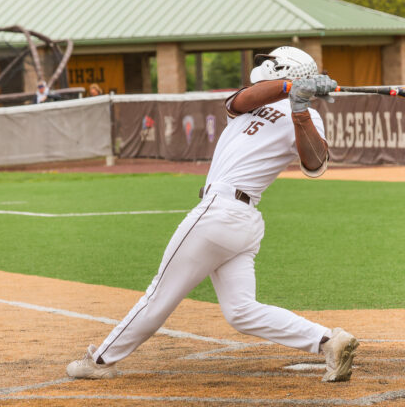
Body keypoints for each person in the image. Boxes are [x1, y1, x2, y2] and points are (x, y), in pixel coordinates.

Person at [65, 46, 359, 383]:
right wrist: (290, 89)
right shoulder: (253, 101)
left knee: (159, 294)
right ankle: (328, 341)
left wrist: (301, 109)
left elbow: (315, 165)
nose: (261, 67)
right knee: (242, 312)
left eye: (269, 64)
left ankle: (100, 360)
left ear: (283, 68)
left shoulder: (307, 115)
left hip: (225, 214)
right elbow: (237, 102)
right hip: (231, 219)